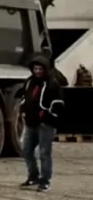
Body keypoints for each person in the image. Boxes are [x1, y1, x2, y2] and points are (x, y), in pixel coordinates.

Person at [19, 56, 64, 192]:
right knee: (26, 150)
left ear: (45, 69)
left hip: (46, 124)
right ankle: (33, 176)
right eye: (35, 69)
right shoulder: (29, 82)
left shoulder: (52, 83)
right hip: (30, 123)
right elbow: (25, 97)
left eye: (40, 69)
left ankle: (45, 181)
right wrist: (23, 109)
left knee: (44, 152)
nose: (37, 71)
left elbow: (59, 104)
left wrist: (46, 115)